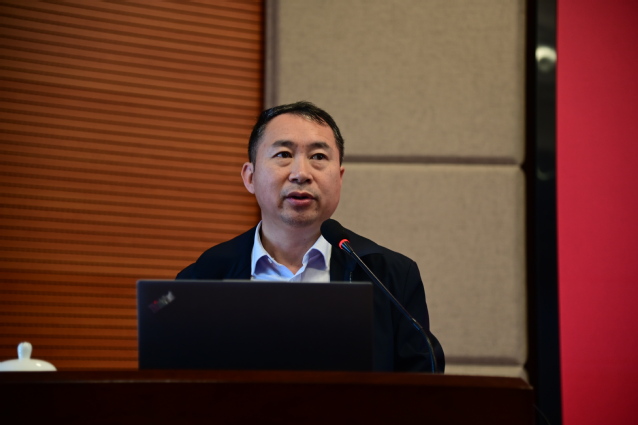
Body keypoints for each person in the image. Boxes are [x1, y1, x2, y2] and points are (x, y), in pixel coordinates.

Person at [177, 101, 444, 372]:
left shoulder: (389, 276)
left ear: (339, 178)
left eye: (318, 156)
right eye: (283, 154)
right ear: (250, 177)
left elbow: (422, 384)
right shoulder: (203, 277)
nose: (301, 174)